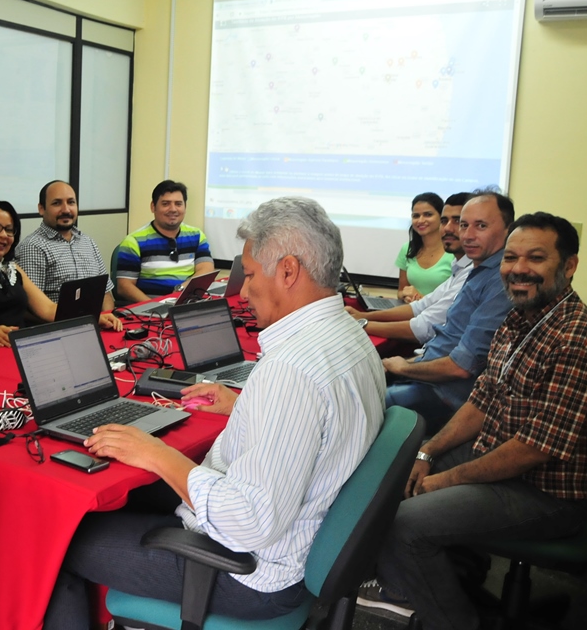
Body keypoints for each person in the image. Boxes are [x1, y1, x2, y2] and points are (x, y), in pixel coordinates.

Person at [43, 197, 386, 628]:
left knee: (55, 541)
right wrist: (245, 402)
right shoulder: (348, 336)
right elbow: (324, 419)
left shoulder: (291, 369)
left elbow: (249, 521)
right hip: (298, 539)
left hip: (249, 572)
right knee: (125, 494)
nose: (242, 291)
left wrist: (155, 454)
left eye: (252, 275)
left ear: (288, 271)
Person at [361, 213, 587, 630]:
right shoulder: (520, 320)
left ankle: (456, 619)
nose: (518, 268)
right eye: (511, 257)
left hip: (546, 492)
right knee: (395, 472)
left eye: (535, 258)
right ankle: (446, 574)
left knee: (405, 523)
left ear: (568, 266)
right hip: (503, 463)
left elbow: (533, 449)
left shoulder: (576, 338)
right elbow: (481, 402)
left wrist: (445, 480)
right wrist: (429, 451)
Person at [383, 192, 515, 434]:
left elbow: (461, 367)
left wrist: (403, 368)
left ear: (508, 230)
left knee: (360, 404)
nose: (467, 234)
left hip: (444, 396)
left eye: (481, 226)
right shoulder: (477, 271)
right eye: (465, 225)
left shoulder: (499, 281)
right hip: (429, 379)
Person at [0, 200, 121, 348]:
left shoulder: (13, 269)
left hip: (20, 348)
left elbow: (49, 310)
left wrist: (93, 317)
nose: (3, 235)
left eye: (9, 230)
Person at [347, 192, 471, 344]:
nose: (449, 228)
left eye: (458, 221)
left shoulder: (467, 268)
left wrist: (361, 323)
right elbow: (418, 307)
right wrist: (363, 316)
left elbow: (424, 325)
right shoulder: (458, 266)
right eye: (445, 221)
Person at [16, 180, 115, 312]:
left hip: (97, 324)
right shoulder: (33, 246)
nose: (66, 209)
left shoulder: (88, 242)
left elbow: (106, 294)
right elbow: (29, 307)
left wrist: (106, 318)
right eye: (56, 203)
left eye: (71, 202)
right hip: (58, 327)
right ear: (41, 208)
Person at [115, 180, 214, 303]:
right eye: (166, 204)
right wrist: (155, 307)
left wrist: (182, 289)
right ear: (153, 207)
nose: (173, 209)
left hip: (186, 303)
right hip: (151, 309)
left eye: (178, 204)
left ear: (185, 207)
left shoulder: (197, 235)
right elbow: (124, 287)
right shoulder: (133, 241)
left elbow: (206, 268)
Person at [395, 192, 455, 302]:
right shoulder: (407, 248)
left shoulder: (454, 252)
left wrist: (421, 298)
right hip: (408, 314)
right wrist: (405, 295)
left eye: (428, 214)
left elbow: (453, 303)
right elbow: (400, 291)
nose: (421, 220)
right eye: (416, 216)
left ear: (441, 217)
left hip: (438, 317)